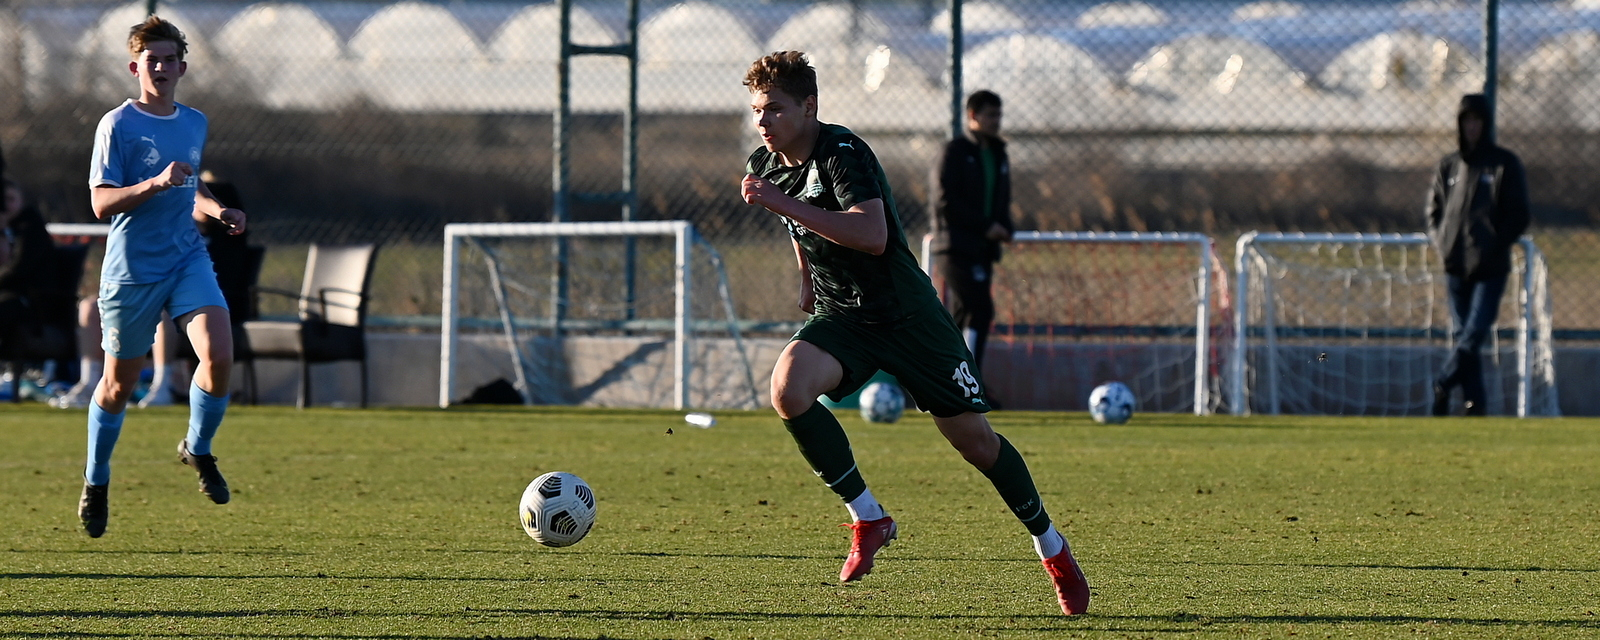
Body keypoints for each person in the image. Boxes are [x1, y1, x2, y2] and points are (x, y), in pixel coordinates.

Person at [739, 52, 1089, 615]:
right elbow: (795, 225)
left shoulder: (843, 152)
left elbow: (872, 234)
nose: (763, 120)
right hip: (845, 315)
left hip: (908, 316)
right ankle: (869, 517)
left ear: (809, 106)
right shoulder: (766, 163)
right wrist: (806, 279)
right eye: (757, 109)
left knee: (976, 444)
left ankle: (1052, 547)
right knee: (788, 388)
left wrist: (781, 202)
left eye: (775, 108)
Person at [78, 15, 247, 538]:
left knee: (219, 356)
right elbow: (101, 203)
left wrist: (217, 210)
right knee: (117, 386)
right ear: (136, 67)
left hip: (186, 258)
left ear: (182, 67)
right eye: (152, 59)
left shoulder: (194, 122)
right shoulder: (117, 125)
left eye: (171, 59)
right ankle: (96, 479)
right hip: (132, 271)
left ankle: (198, 448)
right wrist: (154, 182)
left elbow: (190, 187)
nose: (162, 67)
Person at [1425, 94, 1530, 417]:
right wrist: (1443, 242)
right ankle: (1475, 405)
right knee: (1462, 335)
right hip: (1455, 265)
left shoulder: (1503, 164)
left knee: (1474, 333)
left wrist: (1494, 244)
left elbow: (1519, 214)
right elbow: (1434, 211)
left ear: (1486, 124)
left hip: (1490, 266)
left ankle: (1443, 382)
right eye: (1466, 120)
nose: (1472, 127)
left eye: (1477, 120)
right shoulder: (1449, 165)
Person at [930, 90, 1013, 376]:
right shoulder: (954, 152)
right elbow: (945, 200)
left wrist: (1005, 226)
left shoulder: (998, 153)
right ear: (973, 116)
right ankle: (971, 381)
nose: (996, 121)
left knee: (963, 314)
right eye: (990, 115)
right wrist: (986, 226)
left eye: (998, 115)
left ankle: (947, 378)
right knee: (979, 309)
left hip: (982, 248)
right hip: (955, 246)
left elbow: (999, 198)